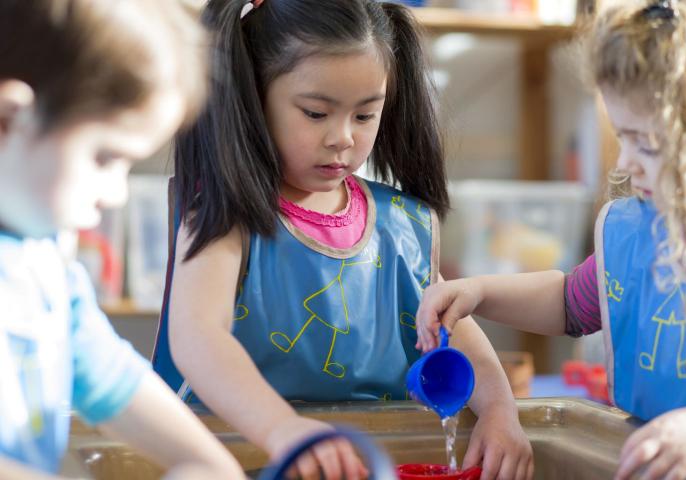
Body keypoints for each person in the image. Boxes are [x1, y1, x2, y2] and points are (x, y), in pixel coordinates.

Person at [152, 1, 533, 479]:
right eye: (315, 113)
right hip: (238, 460)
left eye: (365, 115)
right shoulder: (225, 212)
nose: (342, 138)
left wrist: (500, 411)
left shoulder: (399, 226)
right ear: (253, 97)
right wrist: (282, 430)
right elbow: (197, 337)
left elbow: (453, 327)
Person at [415, 1, 686, 479]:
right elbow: (570, 303)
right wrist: (480, 292)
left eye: (647, 143)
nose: (625, 163)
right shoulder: (632, 228)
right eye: (621, 136)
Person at [0, 1, 244, 478]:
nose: (115, 194)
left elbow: (112, 379)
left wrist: (210, 465)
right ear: (8, 120)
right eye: (105, 157)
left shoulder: (42, 259)